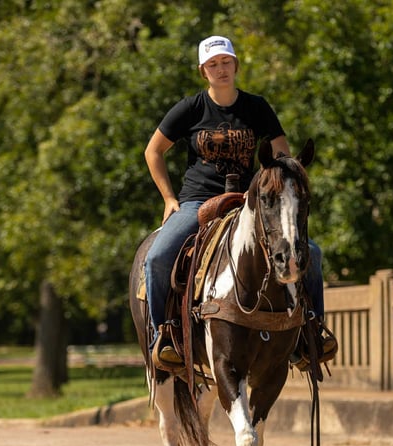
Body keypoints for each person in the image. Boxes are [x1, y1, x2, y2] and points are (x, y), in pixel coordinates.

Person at [144, 35, 336, 371]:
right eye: (213, 64)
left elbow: (281, 154)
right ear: (204, 71)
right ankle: (166, 336)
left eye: (226, 62)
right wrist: (169, 198)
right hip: (198, 202)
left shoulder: (256, 107)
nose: (221, 69)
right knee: (158, 258)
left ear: (236, 65)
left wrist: (277, 185)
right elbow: (153, 151)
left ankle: (311, 331)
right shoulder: (191, 108)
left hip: (248, 202)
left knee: (313, 254)